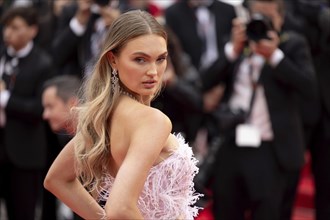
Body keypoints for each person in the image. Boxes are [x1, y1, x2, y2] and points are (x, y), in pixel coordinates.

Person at [44, 10, 202, 219]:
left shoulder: (103, 117)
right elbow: (120, 208)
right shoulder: (152, 120)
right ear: (113, 60)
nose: (153, 71)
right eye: (140, 60)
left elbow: (56, 179)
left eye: (161, 59)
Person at [200, 0, 317, 219]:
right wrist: (232, 51)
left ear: (281, 20)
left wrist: (274, 56)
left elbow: (308, 87)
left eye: (269, 19)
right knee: (225, 209)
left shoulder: (293, 46)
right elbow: (204, 82)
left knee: (268, 211)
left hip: (271, 149)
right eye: (257, 18)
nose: (262, 25)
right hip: (231, 143)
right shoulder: (239, 45)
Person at [0, 5, 54, 220]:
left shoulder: (43, 63)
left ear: (32, 30)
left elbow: (39, 108)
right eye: (6, 27)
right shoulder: (2, 54)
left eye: (15, 27)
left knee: (22, 212)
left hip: (24, 153)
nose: (8, 33)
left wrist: (5, 99)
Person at [41, 74, 82, 220]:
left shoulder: (96, 139)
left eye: (50, 107)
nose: (45, 115)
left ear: (72, 104)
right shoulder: (64, 138)